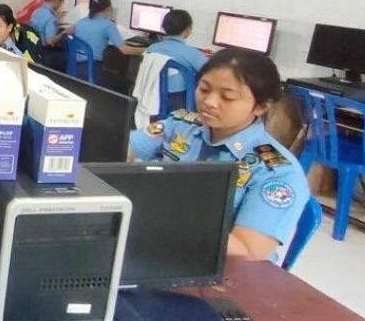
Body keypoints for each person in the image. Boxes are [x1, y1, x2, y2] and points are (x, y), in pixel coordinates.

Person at [129, 49, 309, 262]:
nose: (210, 102)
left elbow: (248, 251)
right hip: (159, 249)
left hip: (222, 271)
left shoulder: (277, 172)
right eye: (204, 89)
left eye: (228, 97)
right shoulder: (181, 125)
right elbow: (123, 148)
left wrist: (159, 218)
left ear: (261, 106)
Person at [144, 9, 207, 105]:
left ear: (164, 27)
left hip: (151, 95)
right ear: (188, 30)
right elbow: (210, 72)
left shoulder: (151, 48)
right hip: (177, 99)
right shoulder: (192, 54)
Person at [72, 0, 145, 66]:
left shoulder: (80, 22)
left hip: (74, 66)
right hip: (92, 67)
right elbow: (125, 50)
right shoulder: (108, 25)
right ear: (108, 8)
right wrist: (146, 50)